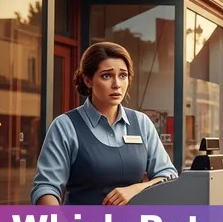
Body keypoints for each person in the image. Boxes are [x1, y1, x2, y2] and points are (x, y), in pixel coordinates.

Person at [31, 42, 178, 205]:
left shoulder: (142, 123)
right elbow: (46, 188)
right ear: (88, 80)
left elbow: (168, 176)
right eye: (106, 76)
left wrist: (136, 189)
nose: (117, 84)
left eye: (123, 75)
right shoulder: (65, 126)